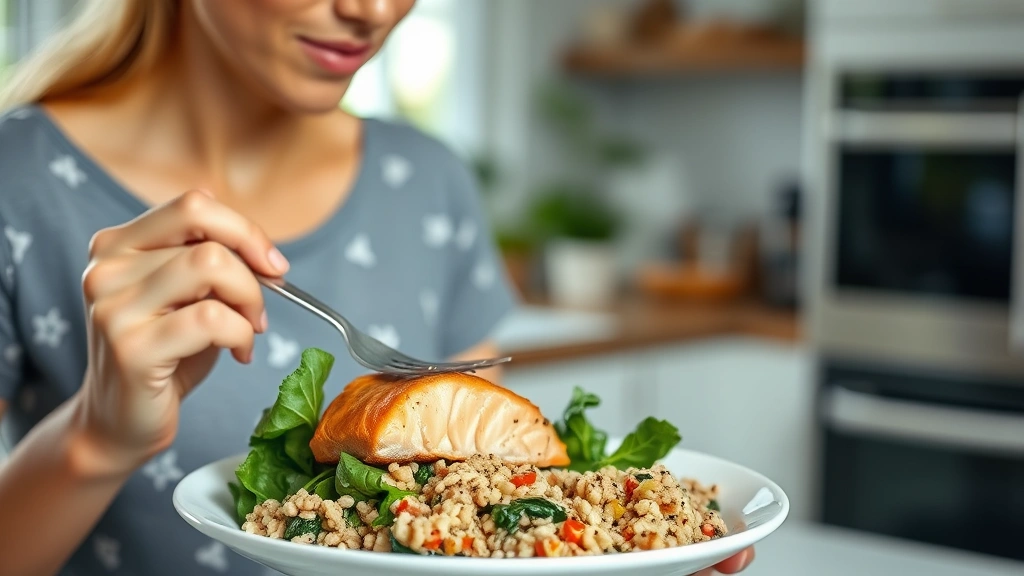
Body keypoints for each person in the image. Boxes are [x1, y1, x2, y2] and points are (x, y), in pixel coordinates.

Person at [0, 1, 755, 574]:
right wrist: (97, 438)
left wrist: (618, 547)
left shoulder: (428, 182)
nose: (374, 10)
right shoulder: (17, 180)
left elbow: (475, 496)